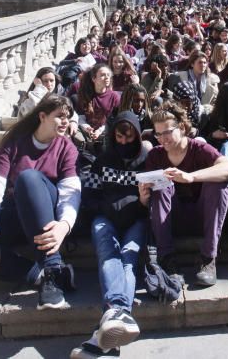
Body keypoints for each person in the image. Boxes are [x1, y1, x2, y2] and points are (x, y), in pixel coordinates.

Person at [0, 95, 80, 310]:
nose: (66, 121)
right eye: (60, 116)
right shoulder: (15, 142)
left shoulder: (67, 147)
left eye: (68, 116)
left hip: (45, 218)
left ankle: (51, 266)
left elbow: (70, 192)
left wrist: (64, 225)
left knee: (28, 179)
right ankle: (42, 275)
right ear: (42, 116)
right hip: (12, 213)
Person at [71, 111, 152, 358]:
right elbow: (91, 196)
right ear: (113, 135)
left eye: (130, 137)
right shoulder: (103, 159)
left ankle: (104, 334)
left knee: (128, 258)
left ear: (137, 136)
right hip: (105, 217)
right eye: (119, 136)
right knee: (108, 251)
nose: (125, 142)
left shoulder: (148, 161)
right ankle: (117, 316)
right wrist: (109, 209)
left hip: (137, 218)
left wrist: (141, 203)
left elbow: (154, 199)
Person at [143, 103, 228, 286]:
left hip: (204, 216)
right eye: (158, 134)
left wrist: (190, 177)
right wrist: (143, 196)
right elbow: (147, 203)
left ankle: (208, 258)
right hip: (172, 219)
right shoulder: (155, 156)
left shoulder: (199, 149)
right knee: (162, 185)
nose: (163, 139)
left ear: (181, 127)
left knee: (218, 183)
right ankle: (167, 259)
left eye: (167, 132)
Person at [71, 65, 121, 147]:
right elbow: (81, 116)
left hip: (105, 131)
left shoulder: (114, 97)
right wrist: (87, 128)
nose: (107, 77)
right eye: (103, 75)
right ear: (94, 79)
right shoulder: (85, 94)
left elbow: (114, 119)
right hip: (85, 130)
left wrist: (99, 131)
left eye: (108, 75)